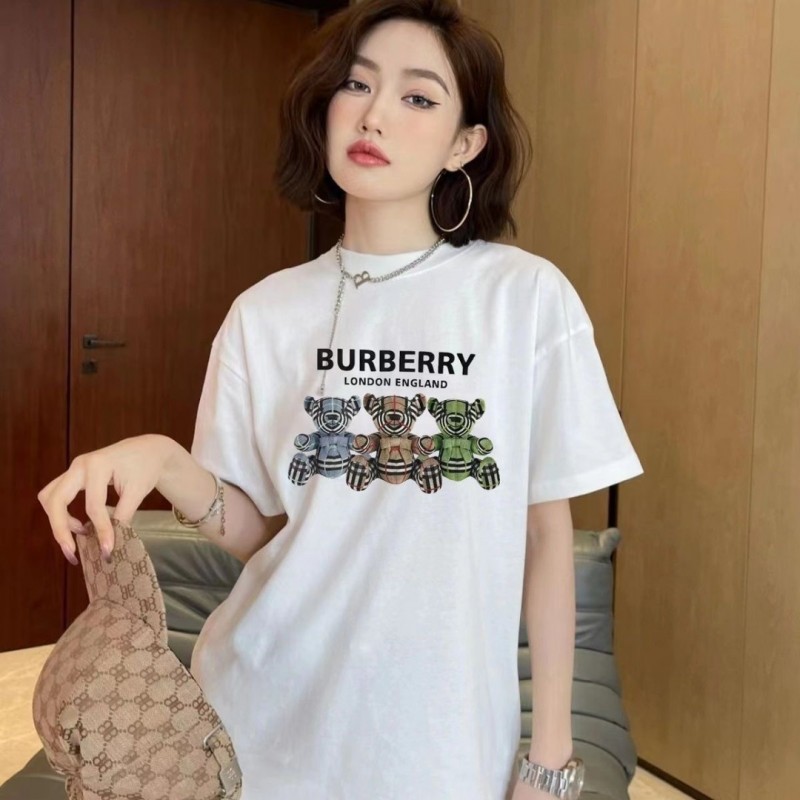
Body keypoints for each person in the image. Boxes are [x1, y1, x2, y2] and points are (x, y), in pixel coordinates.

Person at [37, 1, 644, 798]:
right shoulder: (263, 314)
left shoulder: (524, 299)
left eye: (418, 96)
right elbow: (266, 536)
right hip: (257, 729)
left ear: (465, 144)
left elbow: (544, 531)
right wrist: (162, 459)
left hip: (442, 747)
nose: (374, 114)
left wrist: (549, 758)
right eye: (356, 85)